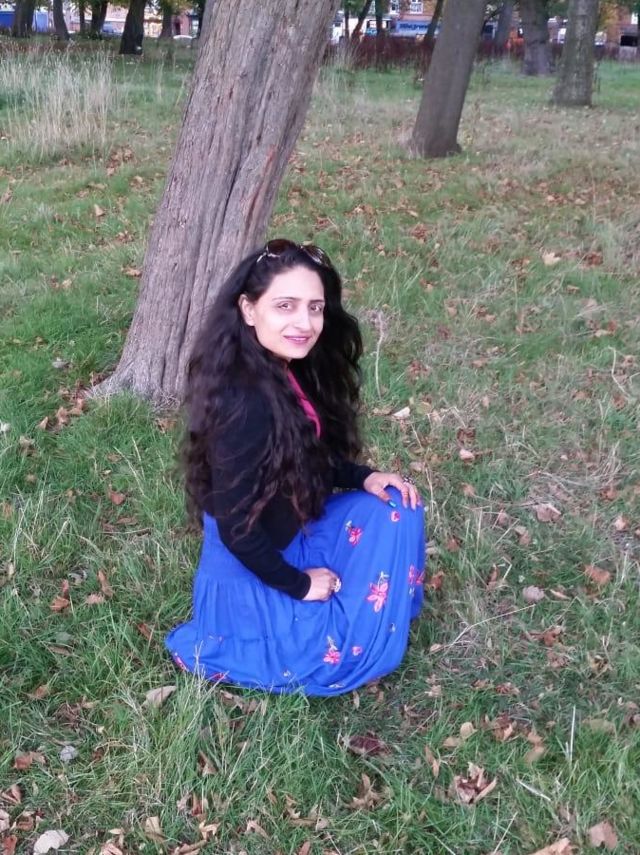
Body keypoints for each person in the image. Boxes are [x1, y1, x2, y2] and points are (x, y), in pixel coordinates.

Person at [165, 239, 426, 696]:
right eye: (285, 306)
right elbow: (236, 531)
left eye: (315, 308)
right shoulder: (244, 403)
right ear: (249, 309)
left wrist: (364, 476)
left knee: (396, 506)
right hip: (250, 568)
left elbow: (305, 455)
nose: (304, 323)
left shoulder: (281, 367)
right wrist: (301, 585)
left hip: (288, 527)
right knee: (335, 650)